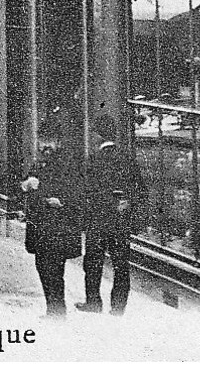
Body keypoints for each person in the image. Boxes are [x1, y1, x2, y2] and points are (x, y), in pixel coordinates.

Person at [77, 113, 146, 315]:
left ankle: (93, 303)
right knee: (121, 265)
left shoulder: (93, 160)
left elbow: (85, 191)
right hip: (119, 220)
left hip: (97, 220)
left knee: (92, 263)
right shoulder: (126, 159)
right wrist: (128, 202)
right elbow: (140, 189)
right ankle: (118, 308)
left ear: (98, 136)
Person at [22, 130, 84, 317]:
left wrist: (58, 200)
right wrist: (26, 185)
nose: (45, 146)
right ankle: (53, 309)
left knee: (55, 271)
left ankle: (57, 311)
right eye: (42, 142)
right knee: (42, 268)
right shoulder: (38, 164)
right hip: (41, 228)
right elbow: (28, 187)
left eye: (49, 141)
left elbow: (74, 193)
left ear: (58, 141)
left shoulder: (66, 165)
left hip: (59, 228)